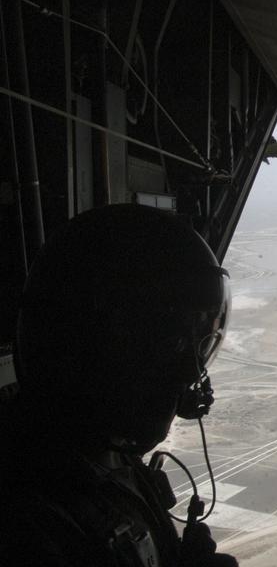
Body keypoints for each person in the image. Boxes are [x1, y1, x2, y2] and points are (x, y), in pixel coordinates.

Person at [0, 204, 237, 566]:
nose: (190, 372)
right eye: (168, 341)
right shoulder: (25, 518)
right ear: (86, 339)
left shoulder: (109, 459)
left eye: (199, 343)